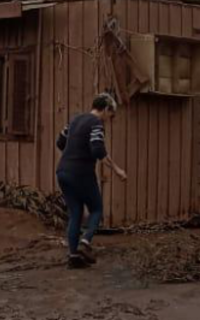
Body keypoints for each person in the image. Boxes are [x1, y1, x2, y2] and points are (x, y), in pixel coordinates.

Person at [56, 92, 127, 269]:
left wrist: (73, 151)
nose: (110, 119)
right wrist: (117, 170)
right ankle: (85, 243)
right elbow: (97, 150)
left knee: (76, 213)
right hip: (81, 172)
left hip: (63, 171)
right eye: (111, 114)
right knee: (96, 209)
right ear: (105, 109)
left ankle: (73, 257)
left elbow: (60, 142)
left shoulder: (75, 119)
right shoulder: (96, 123)